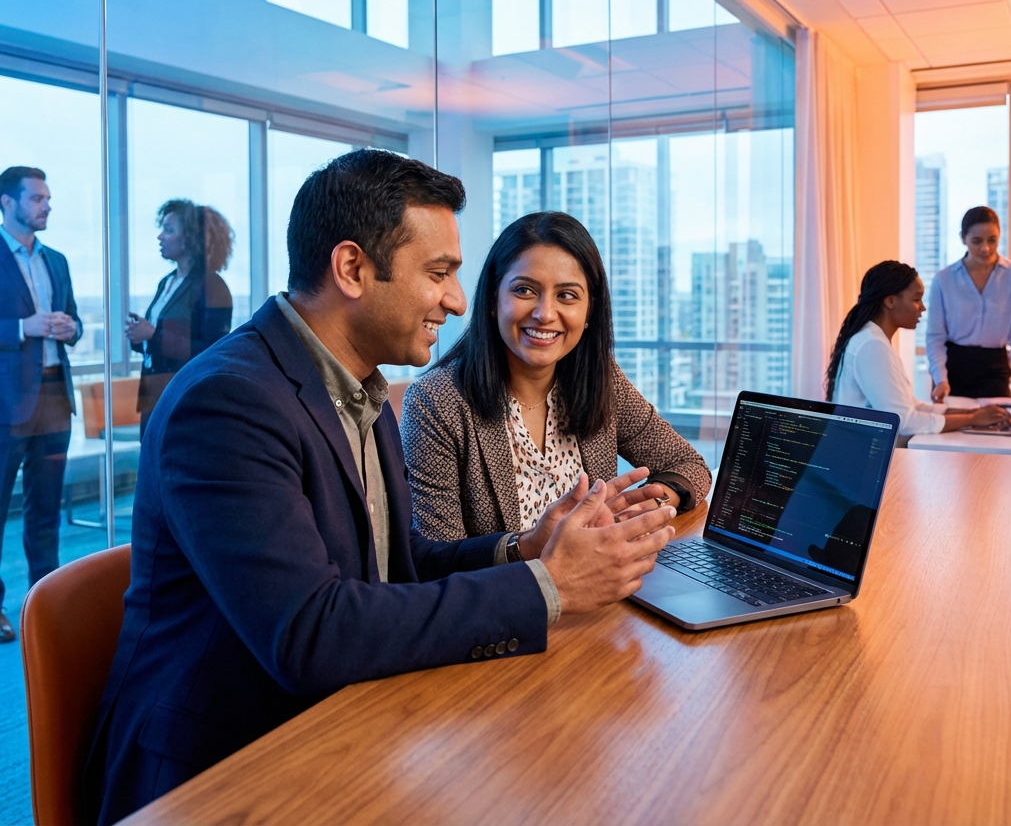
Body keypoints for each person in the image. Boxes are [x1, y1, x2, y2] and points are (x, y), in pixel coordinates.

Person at [83, 149, 677, 825]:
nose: (457, 300)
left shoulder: (357, 389)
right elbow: (310, 633)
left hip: (341, 725)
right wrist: (552, 587)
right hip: (223, 772)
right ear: (352, 269)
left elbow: (399, 567)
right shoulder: (229, 403)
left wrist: (525, 550)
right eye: (439, 273)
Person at [402, 211, 712, 543]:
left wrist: (650, 502)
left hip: (601, 585)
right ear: (493, 299)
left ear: (589, 309)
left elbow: (688, 464)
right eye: (524, 290)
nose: (545, 314)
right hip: (511, 594)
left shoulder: (600, 378)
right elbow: (437, 558)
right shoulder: (435, 402)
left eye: (567, 295)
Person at [0, 166, 82, 644]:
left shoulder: (57, 260)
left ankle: (42, 599)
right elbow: (22, 327)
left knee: (45, 508)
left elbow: (68, 319)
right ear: (8, 204)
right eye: (36, 199)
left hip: (54, 397)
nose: (46, 206)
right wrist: (19, 329)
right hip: (7, 406)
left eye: (47, 198)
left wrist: (71, 328)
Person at [826, 260, 1011, 438]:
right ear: (890, 301)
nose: (922, 308)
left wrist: (971, 413)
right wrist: (972, 419)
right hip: (859, 459)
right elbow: (903, 421)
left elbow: (910, 406)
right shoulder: (872, 345)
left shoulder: (872, 338)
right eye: (916, 299)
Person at [126, 200, 234, 438]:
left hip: (183, 398)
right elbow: (158, 340)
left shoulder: (212, 286)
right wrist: (140, 335)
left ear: (190, 237)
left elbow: (213, 352)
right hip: (154, 396)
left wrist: (153, 335)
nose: (160, 237)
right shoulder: (166, 282)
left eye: (169, 229)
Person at [926, 206, 1011, 400]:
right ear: (963, 238)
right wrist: (940, 379)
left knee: (1000, 426)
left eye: (992, 240)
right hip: (954, 369)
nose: (985, 248)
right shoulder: (943, 280)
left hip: (996, 368)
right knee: (953, 427)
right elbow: (935, 337)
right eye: (976, 241)